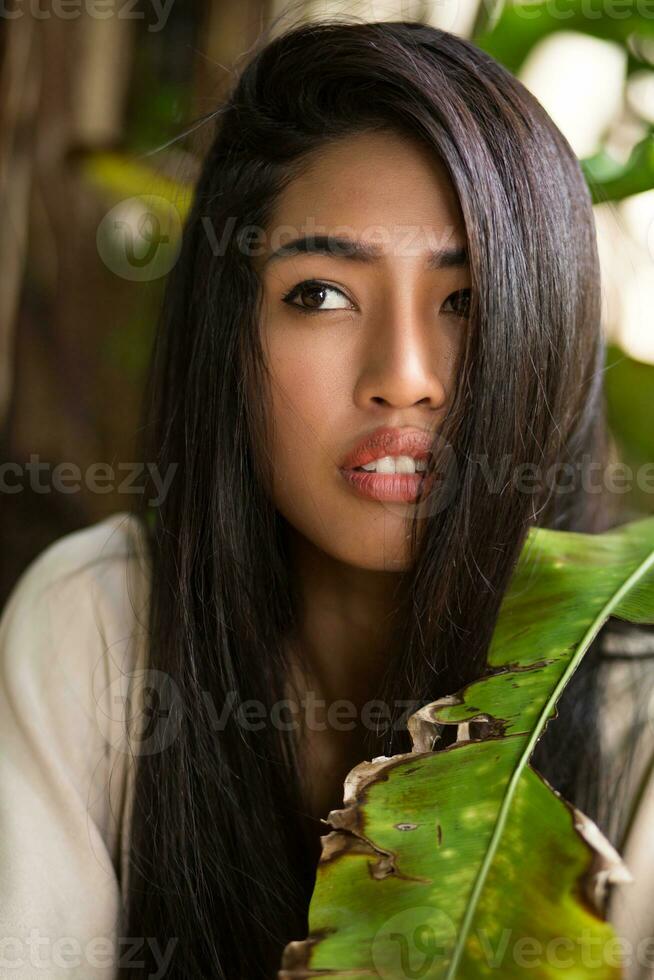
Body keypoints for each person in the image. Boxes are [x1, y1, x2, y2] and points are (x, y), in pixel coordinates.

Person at [1, 16, 654, 980]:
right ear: (231, 331)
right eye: (321, 294)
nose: (405, 378)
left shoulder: (634, 705)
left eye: (465, 301)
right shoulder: (98, 624)